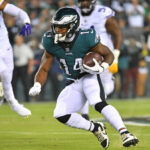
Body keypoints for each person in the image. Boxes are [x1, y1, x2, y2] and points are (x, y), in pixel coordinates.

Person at [29, 7, 138, 148]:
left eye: (62, 28)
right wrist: (37, 84)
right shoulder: (50, 40)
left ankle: (125, 133)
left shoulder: (86, 36)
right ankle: (95, 128)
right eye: (56, 27)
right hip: (73, 82)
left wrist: (102, 67)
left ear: (72, 26)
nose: (57, 31)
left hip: (89, 77)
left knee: (98, 103)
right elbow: (44, 67)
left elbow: (108, 54)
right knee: (60, 114)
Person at [75, 0, 122, 120]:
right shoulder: (72, 13)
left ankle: (99, 101)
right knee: (82, 82)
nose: (84, 3)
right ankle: (85, 113)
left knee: (107, 84)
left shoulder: (102, 12)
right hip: (84, 53)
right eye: (81, 0)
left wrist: (115, 55)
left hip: (104, 54)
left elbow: (117, 33)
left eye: (87, 0)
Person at [0, 0, 31, 116]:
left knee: (8, 77)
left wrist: (27, 21)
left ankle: (13, 103)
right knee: (2, 71)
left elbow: (18, 12)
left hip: (5, 46)